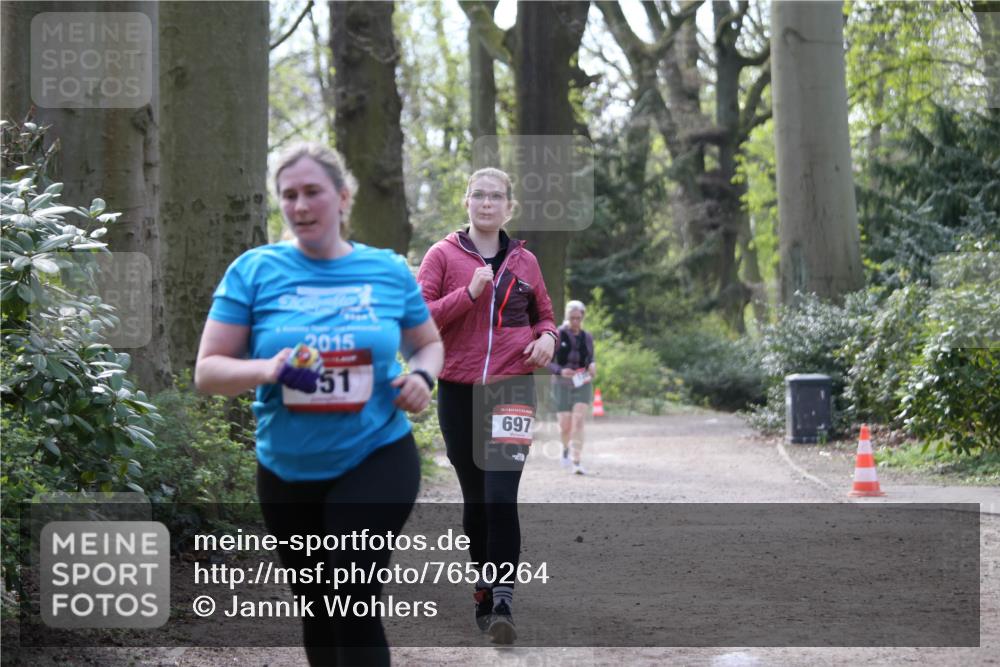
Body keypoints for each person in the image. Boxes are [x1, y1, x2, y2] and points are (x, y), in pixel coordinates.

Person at [194, 142, 443, 667]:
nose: (300, 205)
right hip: (286, 467)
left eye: (312, 192)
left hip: (376, 453)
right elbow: (209, 371)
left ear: (343, 197)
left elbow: (427, 342)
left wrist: (422, 375)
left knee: (350, 597)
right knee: (317, 606)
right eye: (288, 195)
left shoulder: (388, 271)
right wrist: (267, 369)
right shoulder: (254, 271)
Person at [416, 167, 557, 644]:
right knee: (476, 501)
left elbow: (546, 316)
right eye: (479, 195)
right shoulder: (442, 256)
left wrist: (548, 340)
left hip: (512, 387)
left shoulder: (526, 262)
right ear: (467, 202)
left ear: (509, 208)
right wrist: (468, 293)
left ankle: (503, 600)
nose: (487, 203)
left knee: (501, 496)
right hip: (457, 390)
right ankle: (482, 586)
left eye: (497, 197)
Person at [547, 300, 596, 475]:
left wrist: (592, 366)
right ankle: (565, 450)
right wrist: (561, 370)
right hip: (561, 385)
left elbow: (591, 358)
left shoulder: (587, 337)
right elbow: (546, 361)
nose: (575, 321)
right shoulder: (558, 335)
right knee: (565, 426)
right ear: (567, 317)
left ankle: (577, 461)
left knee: (579, 422)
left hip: (582, 384)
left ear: (582, 317)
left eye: (578, 317)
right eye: (572, 317)